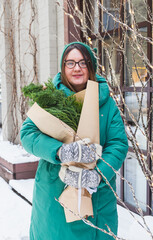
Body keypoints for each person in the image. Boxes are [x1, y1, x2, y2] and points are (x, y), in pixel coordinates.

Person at [20, 42, 128, 240]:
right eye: (70, 63)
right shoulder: (49, 97)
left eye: (82, 62)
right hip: (55, 192)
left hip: (97, 197)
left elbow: (118, 144)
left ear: (91, 67)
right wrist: (61, 151)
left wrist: (97, 176)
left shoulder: (106, 102)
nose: (77, 68)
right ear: (63, 68)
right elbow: (28, 134)